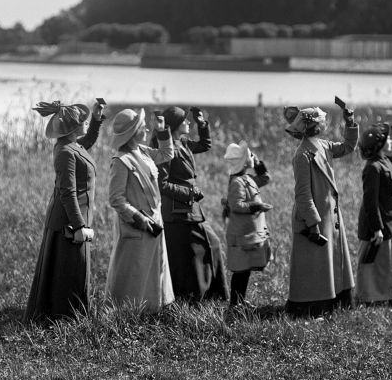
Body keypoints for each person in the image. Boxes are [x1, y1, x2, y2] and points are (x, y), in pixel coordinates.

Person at [23, 98, 105, 322]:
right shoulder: (65, 153)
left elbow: (86, 142)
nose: (86, 123)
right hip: (66, 222)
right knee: (69, 269)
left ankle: (70, 314)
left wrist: (97, 121)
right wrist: (79, 226)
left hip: (72, 219)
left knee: (73, 268)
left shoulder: (72, 146)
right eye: (84, 121)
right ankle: (64, 318)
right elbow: (67, 193)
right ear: (72, 128)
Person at [283, 101, 359, 317]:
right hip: (315, 219)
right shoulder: (302, 155)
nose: (325, 122)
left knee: (331, 260)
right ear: (314, 126)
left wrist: (350, 123)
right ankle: (310, 307)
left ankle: (336, 300)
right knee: (315, 264)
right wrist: (313, 223)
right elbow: (303, 194)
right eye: (322, 120)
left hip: (330, 215)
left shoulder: (324, 145)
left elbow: (348, 147)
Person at [152, 106, 228, 302]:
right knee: (195, 252)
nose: (188, 123)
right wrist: (190, 193)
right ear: (175, 126)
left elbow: (205, 145)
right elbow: (163, 185)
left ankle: (209, 295)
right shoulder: (167, 150)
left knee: (209, 245)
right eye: (185, 121)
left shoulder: (183, 143)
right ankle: (201, 296)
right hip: (178, 211)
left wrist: (202, 122)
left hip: (190, 208)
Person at [105, 108, 175, 312]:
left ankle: (154, 307)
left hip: (154, 219)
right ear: (132, 132)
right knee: (134, 268)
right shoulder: (120, 161)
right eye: (141, 126)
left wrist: (162, 131)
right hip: (137, 223)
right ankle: (127, 311)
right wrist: (137, 218)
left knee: (155, 265)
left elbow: (166, 154)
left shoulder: (143, 151)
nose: (146, 128)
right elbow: (116, 199)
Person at [356, 123, 392, 306]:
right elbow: (370, 201)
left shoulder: (383, 161)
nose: (390, 140)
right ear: (378, 146)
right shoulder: (373, 168)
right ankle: (373, 298)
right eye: (388, 138)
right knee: (376, 264)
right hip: (379, 223)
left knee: (391, 262)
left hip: (390, 221)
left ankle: (391, 294)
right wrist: (377, 228)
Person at [223, 140, 272, 310]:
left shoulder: (248, 178)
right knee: (240, 271)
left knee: (245, 270)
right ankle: (235, 304)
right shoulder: (237, 182)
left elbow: (265, 178)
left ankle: (240, 301)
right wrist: (256, 206)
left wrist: (258, 164)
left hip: (248, 233)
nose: (252, 157)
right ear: (243, 161)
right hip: (241, 234)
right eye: (250, 155)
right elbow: (237, 205)